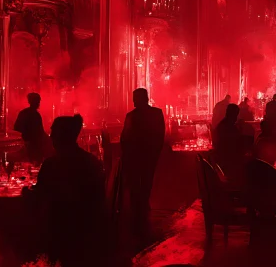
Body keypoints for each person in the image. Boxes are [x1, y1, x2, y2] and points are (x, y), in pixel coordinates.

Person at [34, 115, 106, 266]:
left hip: (61, 231)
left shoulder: (52, 165)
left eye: (53, 132)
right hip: (89, 231)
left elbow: (40, 196)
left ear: (61, 136)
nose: (51, 135)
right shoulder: (91, 162)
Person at [121, 88, 165, 234]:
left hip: (135, 155)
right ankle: (143, 205)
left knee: (135, 182)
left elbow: (125, 138)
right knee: (146, 180)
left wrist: (125, 155)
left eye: (135, 98)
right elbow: (160, 135)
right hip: (149, 154)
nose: (133, 101)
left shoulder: (131, 116)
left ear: (141, 99)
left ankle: (137, 209)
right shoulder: (156, 113)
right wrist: (156, 151)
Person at [213, 104, 247, 183]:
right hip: (229, 163)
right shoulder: (229, 127)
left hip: (223, 160)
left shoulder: (223, 124)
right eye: (236, 114)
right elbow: (236, 145)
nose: (236, 117)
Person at [13, 93, 49, 163]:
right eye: (37, 101)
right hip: (34, 146)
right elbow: (40, 132)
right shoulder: (35, 115)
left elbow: (16, 127)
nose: (38, 103)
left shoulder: (24, 113)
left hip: (28, 144)